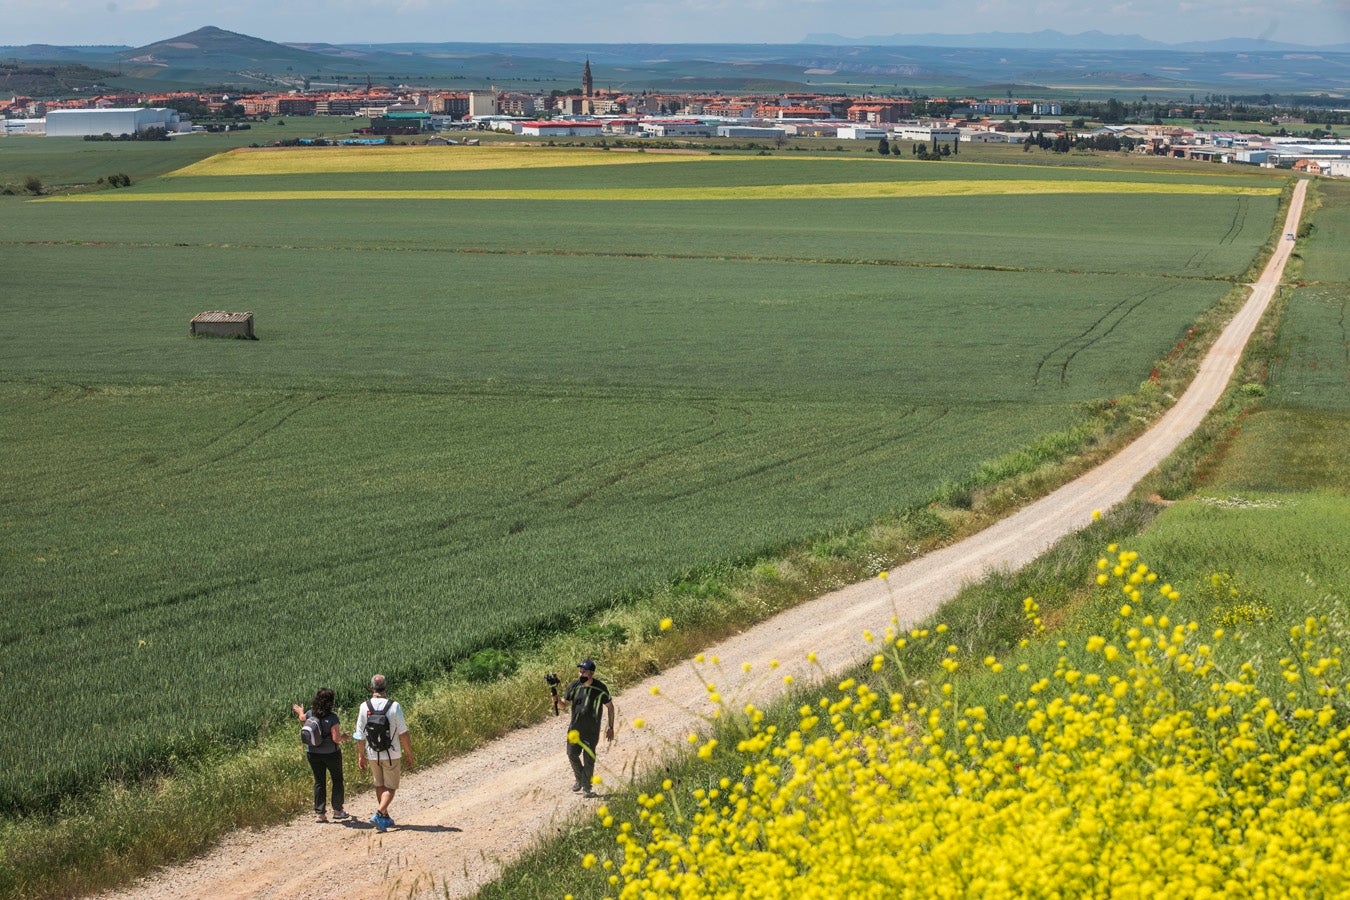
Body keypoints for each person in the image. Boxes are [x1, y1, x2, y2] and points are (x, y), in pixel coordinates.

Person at [352, 674, 413, 833]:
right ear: (385, 687)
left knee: (379, 784)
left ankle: (384, 817)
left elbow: (359, 735)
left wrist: (360, 755)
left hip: (372, 753)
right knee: (391, 788)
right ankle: (379, 814)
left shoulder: (364, 706)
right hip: (392, 753)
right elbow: (403, 733)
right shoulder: (394, 706)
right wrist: (409, 753)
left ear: (371, 688)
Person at [553, 659, 614, 797]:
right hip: (575, 729)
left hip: (591, 731)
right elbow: (563, 705)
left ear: (591, 673)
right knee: (571, 754)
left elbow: (610, 707)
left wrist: (611, 726)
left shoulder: (600, 688)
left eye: (584, 671)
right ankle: (580, 779)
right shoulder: (574, 686)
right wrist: (556, 700)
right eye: (580, 671)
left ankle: (586, 788)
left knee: (588, 759)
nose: (581, 673)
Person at [292, 688, 349, 823]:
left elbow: (302, 718)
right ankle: (337, 810)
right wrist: (344, 737)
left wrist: (300, 711)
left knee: (319, 782)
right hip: (331, 753)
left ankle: (320, 814)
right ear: (330, 702)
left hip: (312, 753)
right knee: (337, 779)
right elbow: (336, 738)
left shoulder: (311, 713)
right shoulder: (332, 717)